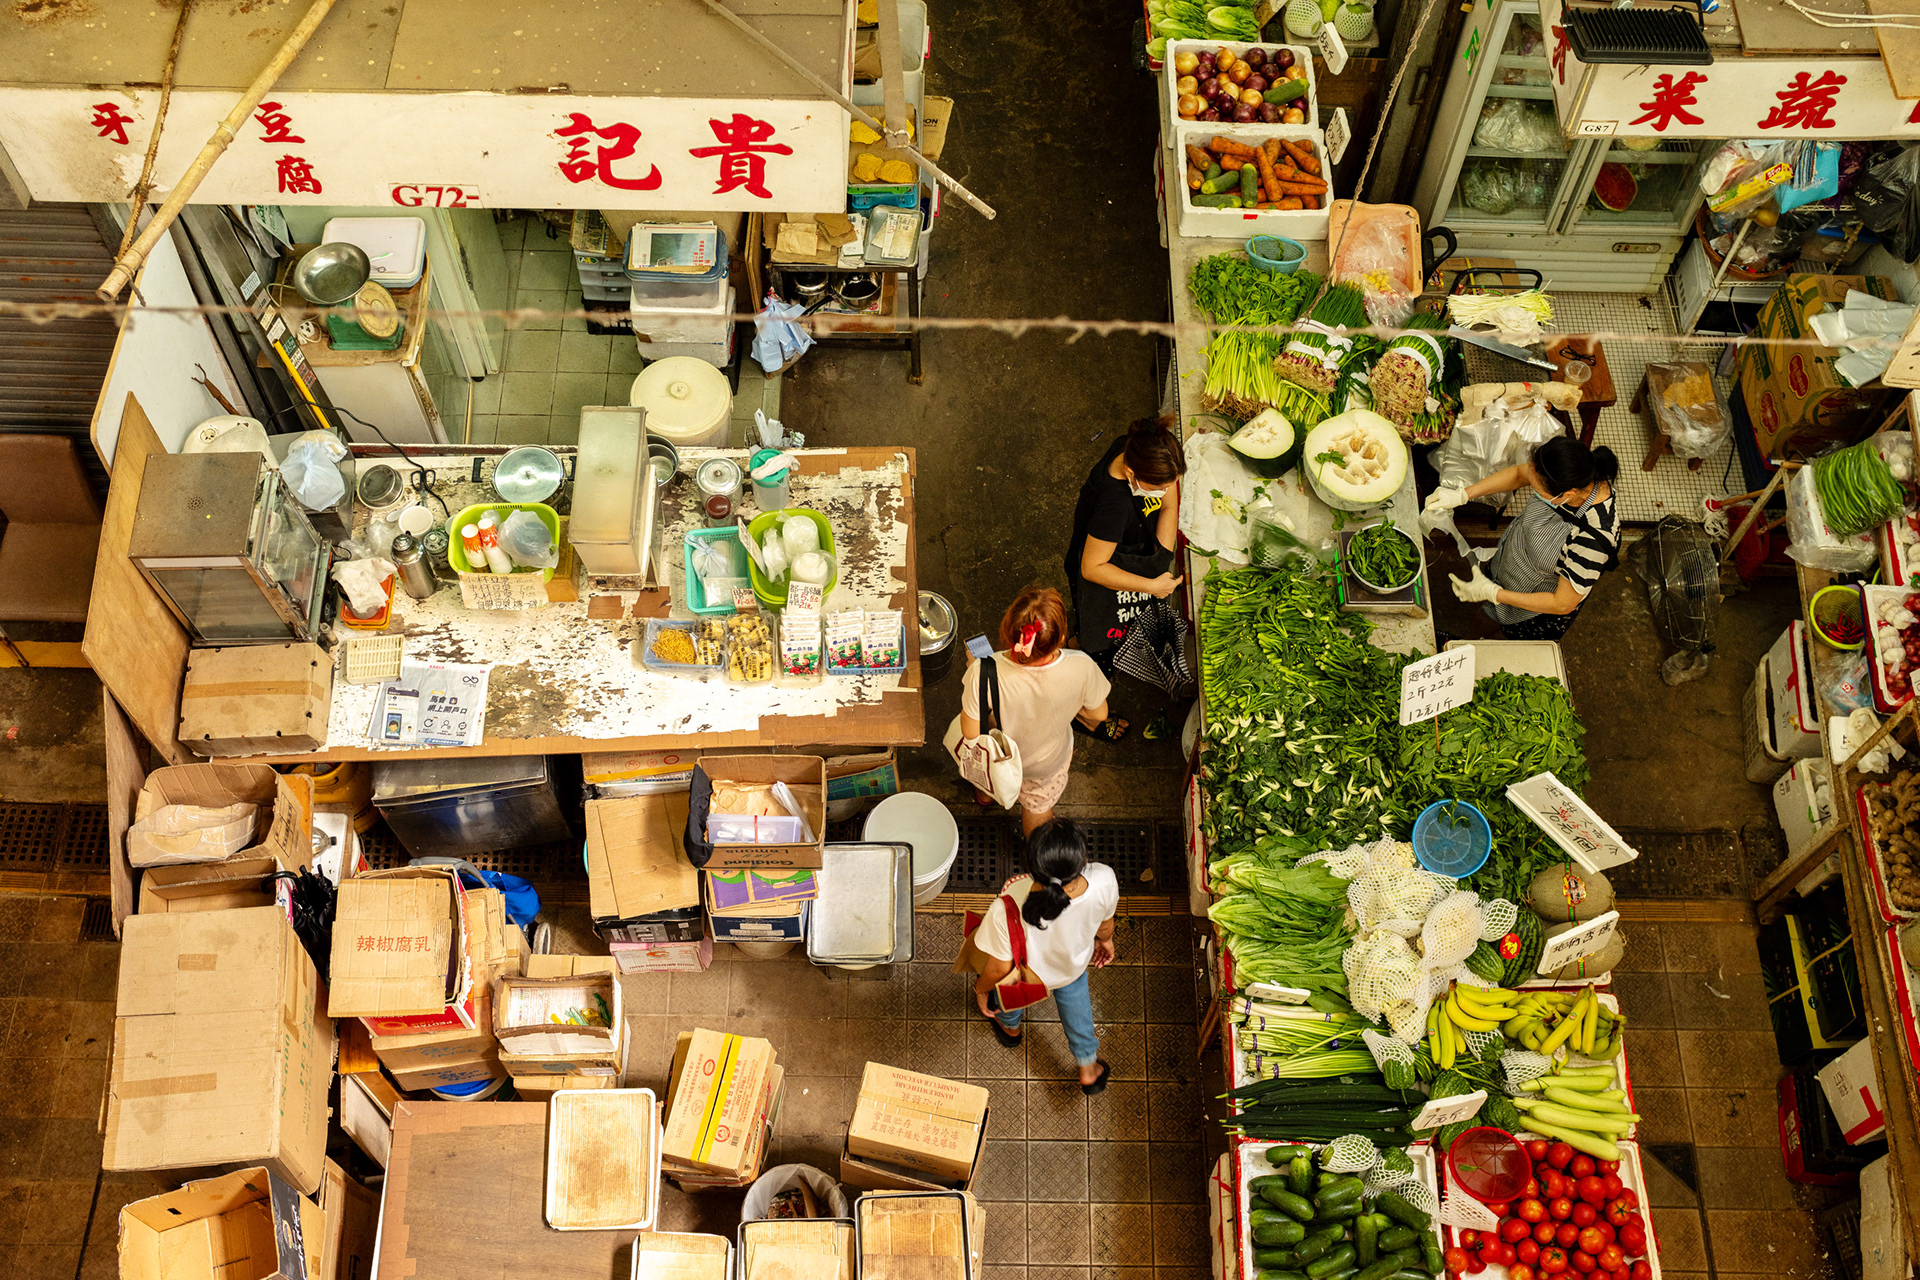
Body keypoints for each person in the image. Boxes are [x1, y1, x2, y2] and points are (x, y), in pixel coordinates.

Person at [971, 818, 1118, 1094]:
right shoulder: (1104, 879)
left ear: (1032, 867)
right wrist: (1106, 940)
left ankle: (1011, 1029)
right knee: (1077, 1005)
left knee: (1010, 995)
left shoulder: (1011, 901)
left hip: (1026, 976)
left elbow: (999, 969)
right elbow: (1106, 922)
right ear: (1083, 859)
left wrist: (981, 990)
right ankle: (1087, 1066)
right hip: (1072, 968)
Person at [1427, 435, 1621, 641]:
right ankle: (1468, 636)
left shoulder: (1594, 539)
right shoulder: (1564, 470)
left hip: (1533, 610)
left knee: (1503, 640)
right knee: (1483, 619)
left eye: (1538, 491)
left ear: (1568, 495)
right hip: (1510, 567)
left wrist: (1495, 594)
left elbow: (1562, 603)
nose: (1531, 486)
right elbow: (1520, 474)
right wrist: (1463, 495)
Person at [1065, 416, 1186, 734]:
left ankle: (1077, 639)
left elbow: (1170, 501)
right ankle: (1086, 715)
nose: (1165, 491)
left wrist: (1161, 557)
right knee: (1100, 655)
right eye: (1158, 486)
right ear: (1132, 474)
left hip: (1126, 558)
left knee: (1093, 627)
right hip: (1098, 574)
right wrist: (1151, 584)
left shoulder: (1135, 446)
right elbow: (1092, 569)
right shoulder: (1114, 504)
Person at [961, 587, 1114, 837]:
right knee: (1038, 808)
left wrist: (974, 668)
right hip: (1046, 764)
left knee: (990, 771)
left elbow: (970, 731)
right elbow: (1099, 714)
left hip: (1000, 756)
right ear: (1062, 636)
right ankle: (1037, 861)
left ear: (1008, 630)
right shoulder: (1082, 666)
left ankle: (987, 794)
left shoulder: (983, 671)